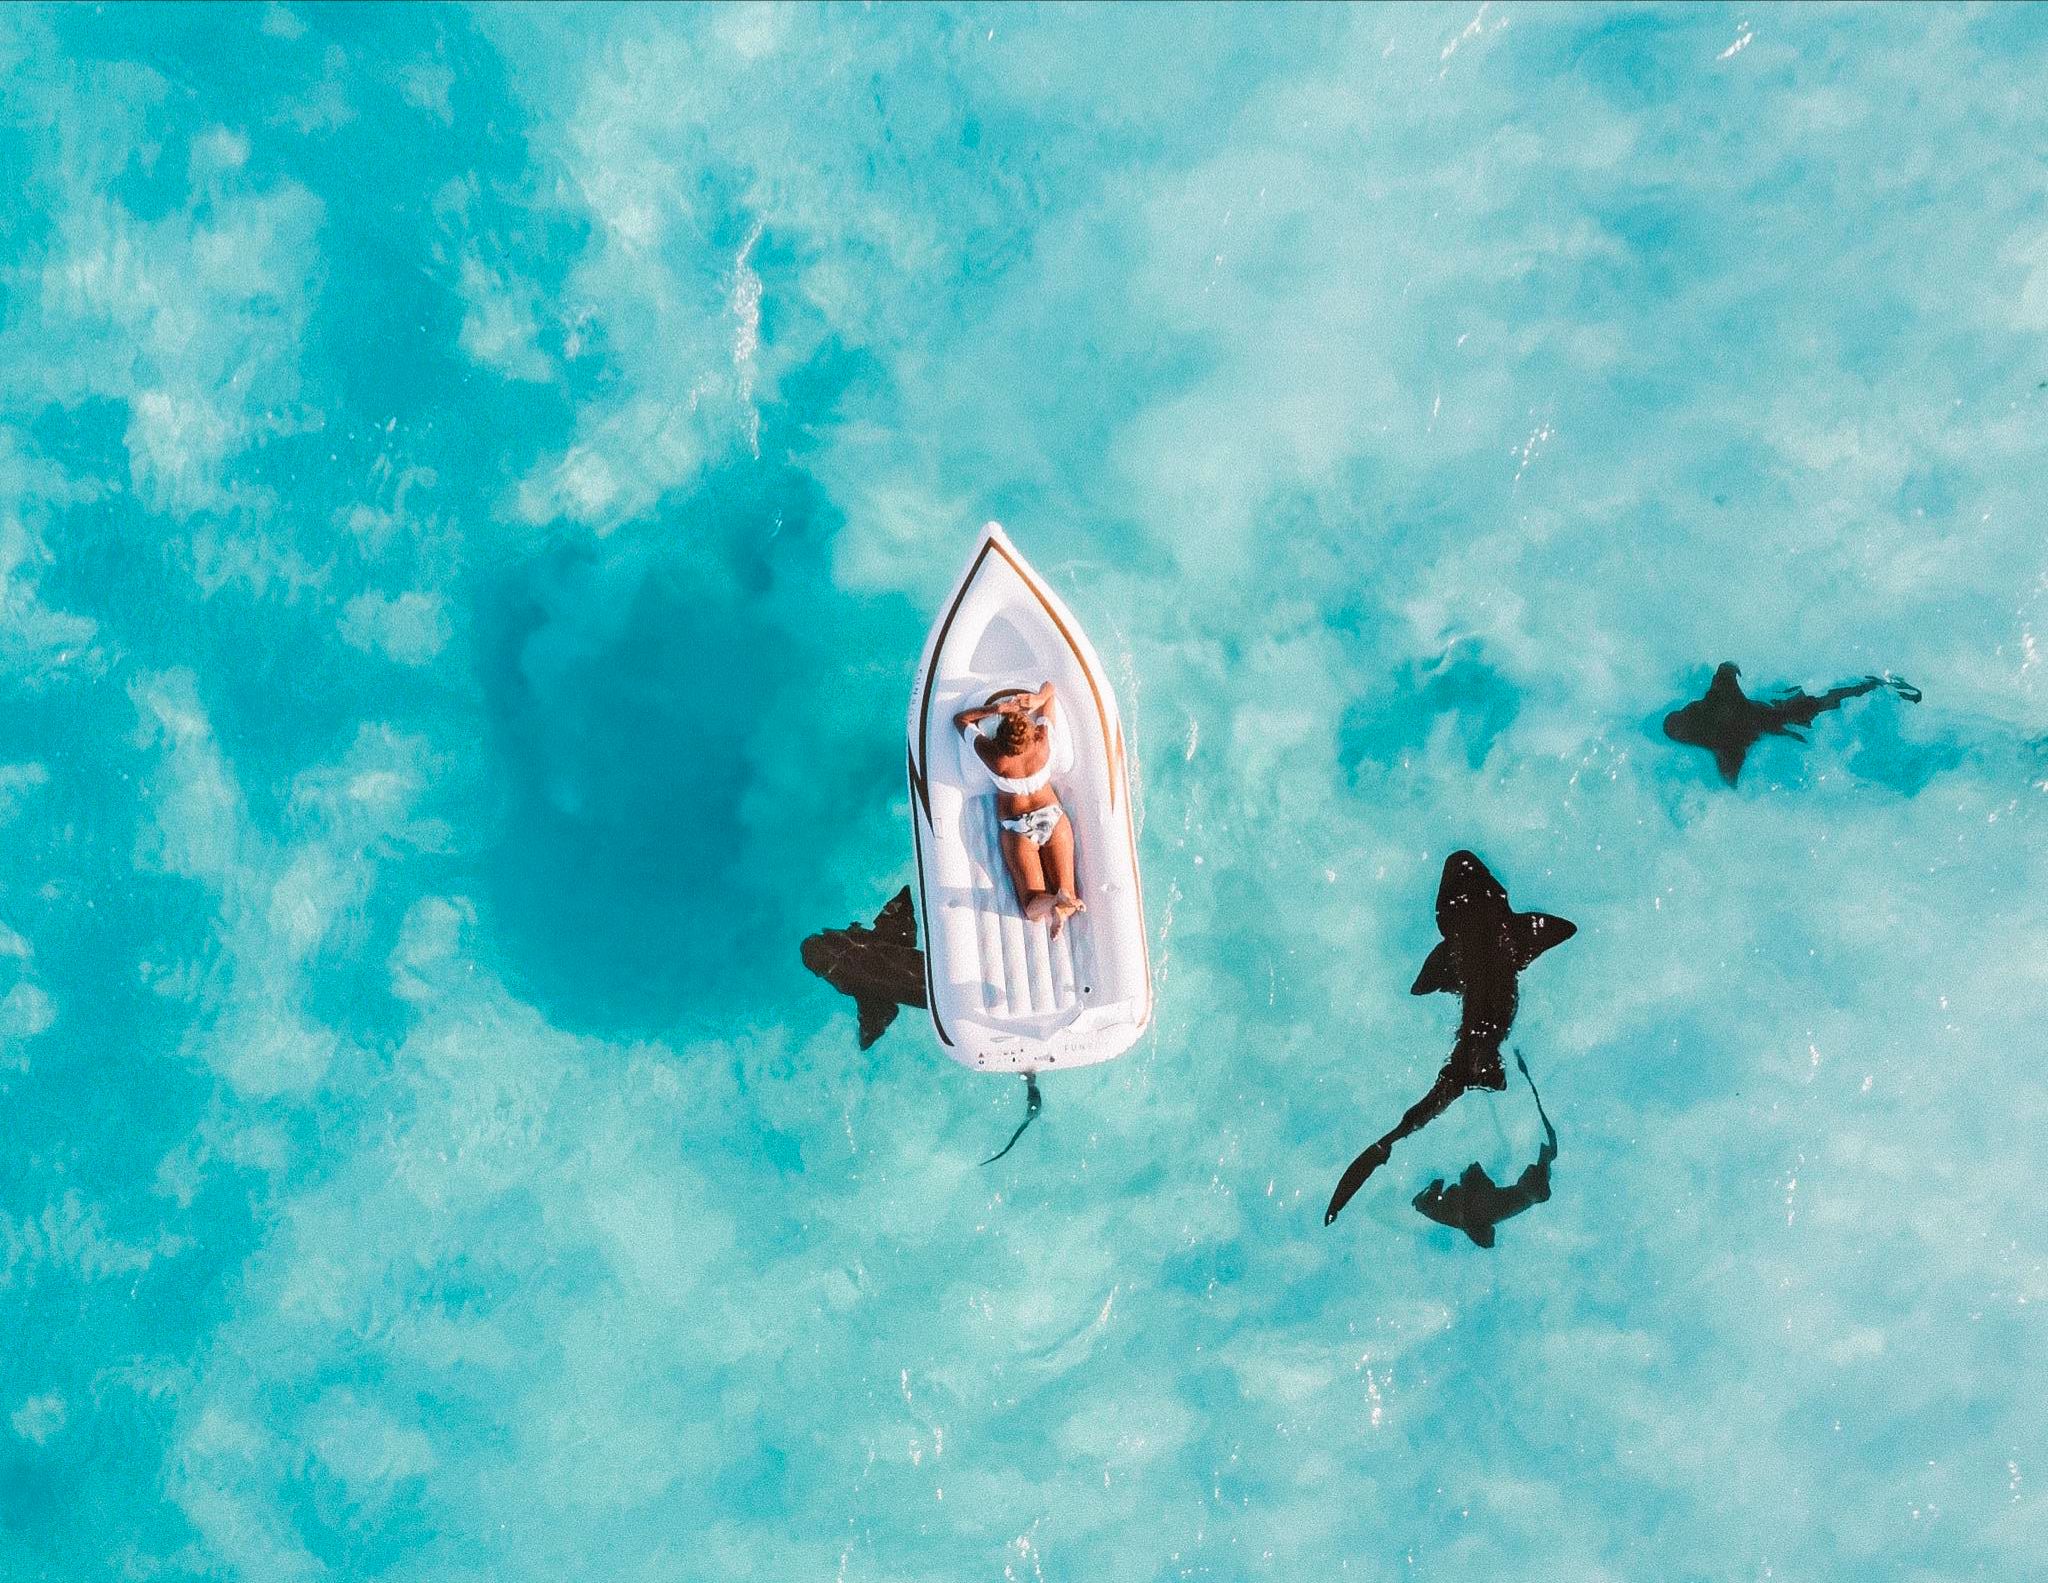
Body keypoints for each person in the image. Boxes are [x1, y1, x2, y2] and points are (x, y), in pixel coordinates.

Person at [954, 681, 1085, 936]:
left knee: (1030, 907)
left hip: (1019, 828)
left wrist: (996, 710)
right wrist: (1037, 699)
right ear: (1032, 733)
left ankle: (1051, 902)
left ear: (1000, 741)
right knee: (1068, 889)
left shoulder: (997, 760)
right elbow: (1050, 689)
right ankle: (1062, 904)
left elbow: (961, 720)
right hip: (1053, 817)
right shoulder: (1044, 744)